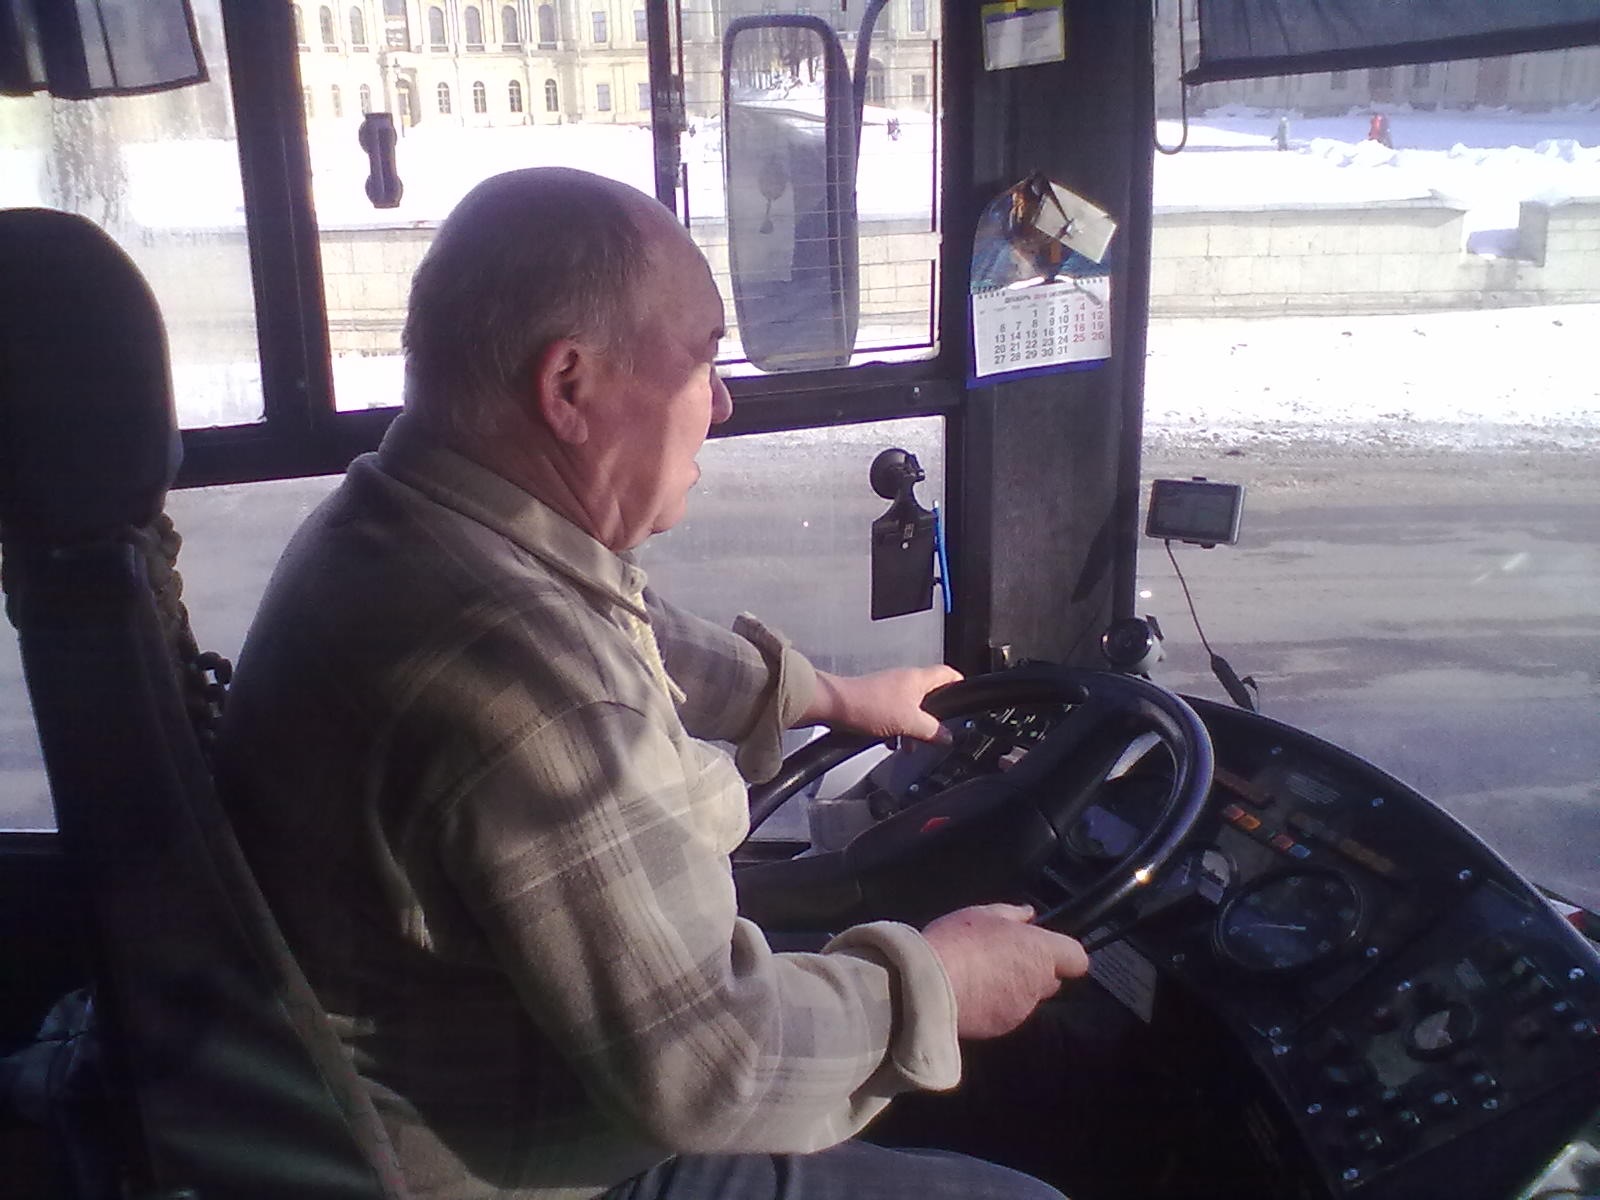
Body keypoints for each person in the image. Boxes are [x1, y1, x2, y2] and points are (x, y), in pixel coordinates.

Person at [215, 167, 1089, 1200]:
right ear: (569, 386)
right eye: (702, 356)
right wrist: (937, 985)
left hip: (481, 1073)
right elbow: (713, 1065)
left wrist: (831, 697)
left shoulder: (407, 528)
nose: (720, 402)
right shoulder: (521, 679)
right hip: (519, 1164)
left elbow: (630, 631)